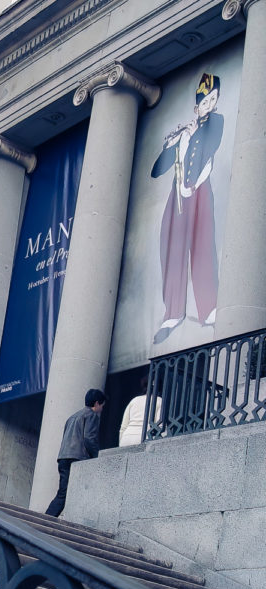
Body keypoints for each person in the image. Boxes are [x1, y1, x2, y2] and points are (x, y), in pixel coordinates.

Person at [151, 73, 223, 344]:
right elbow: (158, 171)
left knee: (203, 246)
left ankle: (209, 309)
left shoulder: (216, 122)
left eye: (213, 99)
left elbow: (210, 152)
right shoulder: (186, 131)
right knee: (172, 249)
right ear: (197, 106)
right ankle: (173, 313)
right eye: (205, 101)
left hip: (200, 191)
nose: (210, 104)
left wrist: (190, 185)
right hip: (177, 197)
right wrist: (173, 143)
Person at [45, 389, 106, 518]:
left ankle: (47, 517)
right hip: (78, 458)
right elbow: (89, 438)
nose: (101, 409)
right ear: (96, 404)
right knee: (81, 492)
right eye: (102, 405)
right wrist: (97, 456)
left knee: (63, 492)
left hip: (63, 457)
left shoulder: (72, 417)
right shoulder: (92, 415)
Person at [119, 376, 162, 446]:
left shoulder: (134, 400)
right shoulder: (159, 400)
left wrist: (121, 443)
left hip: (126, 438)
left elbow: (123, 427)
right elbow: (160, 426)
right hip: (144, 438)